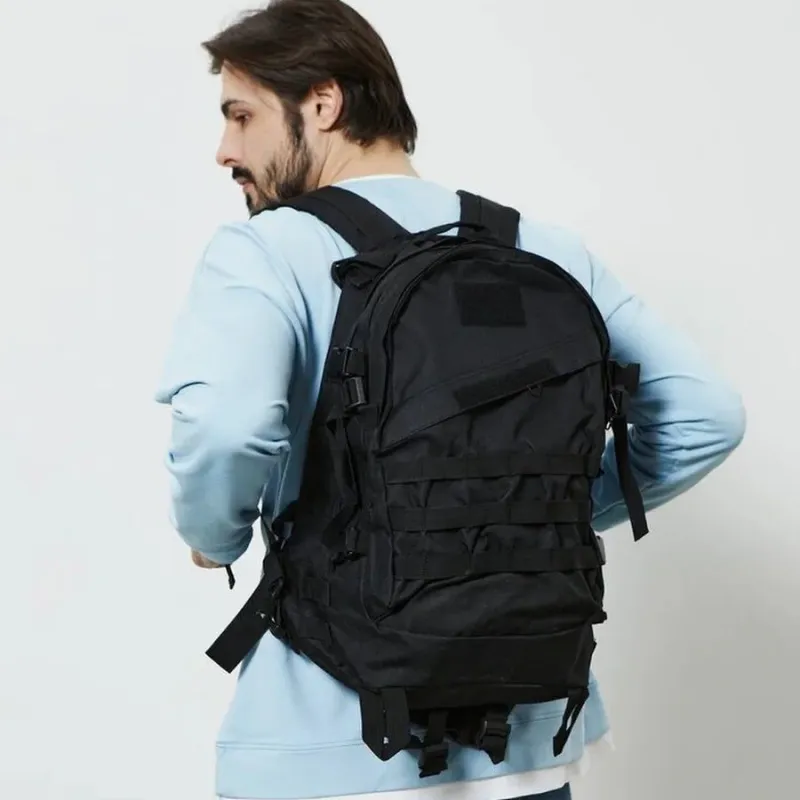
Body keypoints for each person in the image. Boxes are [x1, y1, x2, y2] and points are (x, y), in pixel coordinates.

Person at [155, 1, 746, 799]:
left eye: (241, 116)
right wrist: (512, 517)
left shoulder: (265, 251)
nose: (225, 150)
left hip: (329, 754)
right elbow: (707, 415)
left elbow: (225, 429)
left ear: (322, 104)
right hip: (532, 747)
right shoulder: (541, 248)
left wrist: (213, 538)